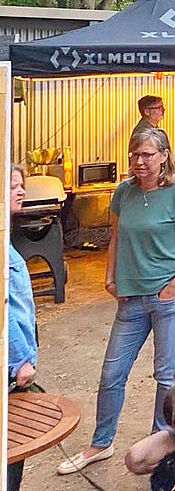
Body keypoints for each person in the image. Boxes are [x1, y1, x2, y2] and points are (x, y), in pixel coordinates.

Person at [58, 128, 175, 475]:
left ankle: (159, 442)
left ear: (164, 156)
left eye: (147, 155)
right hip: (131, 298)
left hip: (170, 296)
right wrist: (109, 278)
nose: (139, 161)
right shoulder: (123, 192)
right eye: (134, 155)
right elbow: (115, 237)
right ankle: (101, 442)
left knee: (164, 373)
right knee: (112, 372)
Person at [7, 164, 37, 491]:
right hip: (13, 367)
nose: (21, 190)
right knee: (12, 445)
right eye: (13, 185)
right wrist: (20, 361)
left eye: (21, 184)